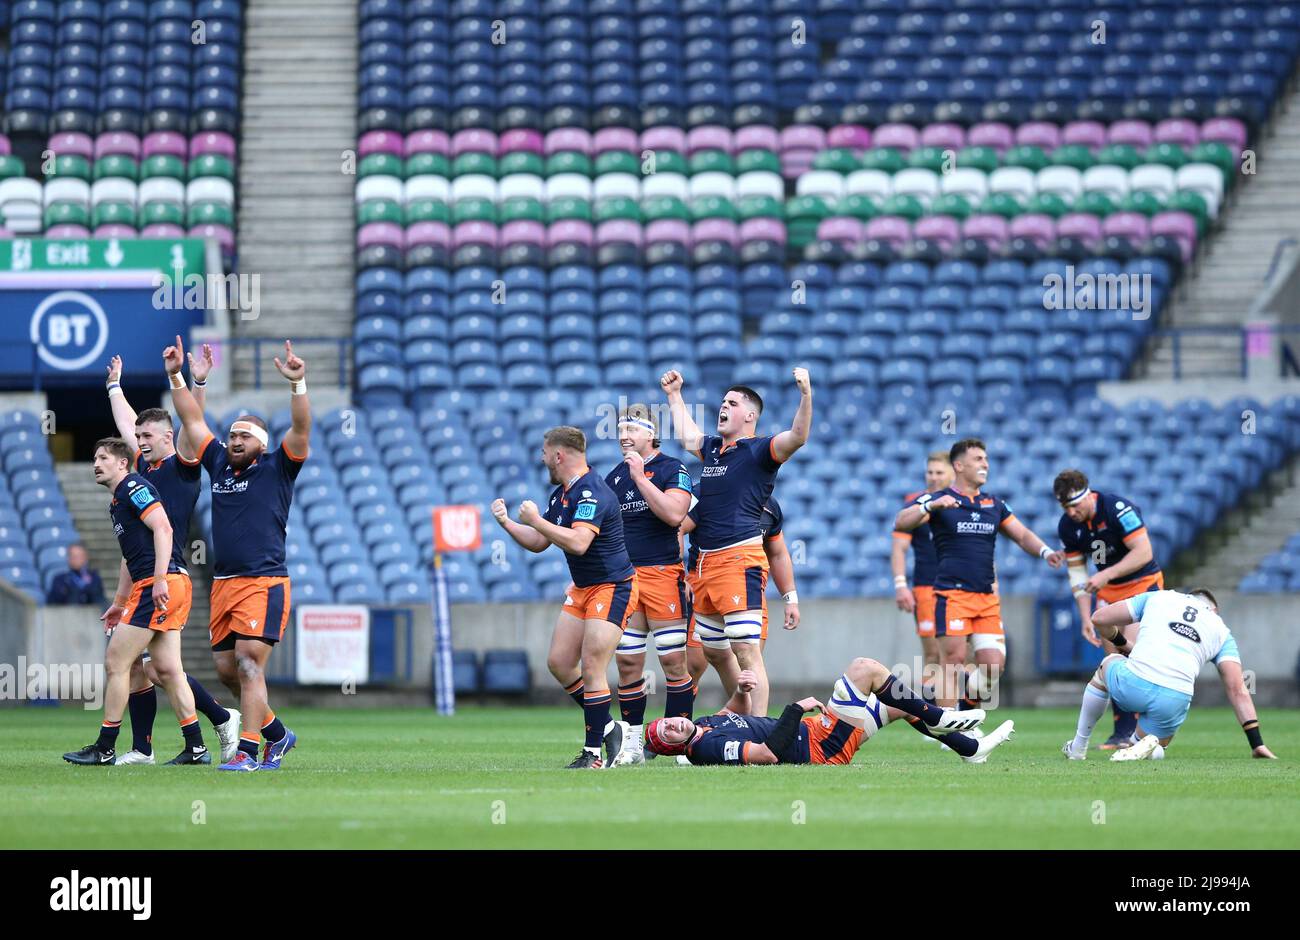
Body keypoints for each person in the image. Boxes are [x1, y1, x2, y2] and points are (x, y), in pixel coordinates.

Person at [166, 336, 307, 772]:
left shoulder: (278, 467)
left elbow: (301, 429)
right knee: (229, 671)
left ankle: (247, 751)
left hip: (264, 581)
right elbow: (192, 420)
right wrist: (180, 376)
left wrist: (298, 385)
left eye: (244, 435)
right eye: (231, 434)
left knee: (248, 663)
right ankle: (278, 735)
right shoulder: (219, 465)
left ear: (261, 443)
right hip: (225, 585)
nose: (234, 439)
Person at [102, 350, 242, 765]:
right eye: (139, 438)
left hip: (168, 573)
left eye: (148, 437)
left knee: (135, 664)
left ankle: (139, 745)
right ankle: (205, 731)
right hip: (153, 573)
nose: (140, 442)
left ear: (168, 437)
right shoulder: (143, 468)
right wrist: (114, 385)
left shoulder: (181, 463)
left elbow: (193, 422)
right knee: (161, 669)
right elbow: (126, 422)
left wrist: (194, 382)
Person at [661, 368, 811, 716]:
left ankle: (759, 733)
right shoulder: (714, 449)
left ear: (750, 415)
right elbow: (687, 437)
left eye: (731, 402)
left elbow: (798, 437)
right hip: (703, 566)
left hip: (737, 560)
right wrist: (674, 395)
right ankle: (740, 714)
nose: (722, 407)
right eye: (722, 402)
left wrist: (805, 395)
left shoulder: (760, 450)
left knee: (746, 652)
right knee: (714, 651)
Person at [491, 426, 638, 769]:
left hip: (613, 587)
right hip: (583, 589)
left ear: (559, 455)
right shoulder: (562, 495)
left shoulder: (591, 493)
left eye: (545, 453)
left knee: (592, 665)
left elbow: (578, 542)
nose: (542, 459)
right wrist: (509, 524)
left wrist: (536, 521)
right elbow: (541, 542)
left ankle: (593, 755)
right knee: (559, 662)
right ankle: (609, 726)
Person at [63, 438, 208, 766]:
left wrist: (157, 579)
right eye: (94, 458)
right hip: (166, 583)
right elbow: (129, 558)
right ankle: (196, 746)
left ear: (122, 463)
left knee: (117, 663)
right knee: (169, 670)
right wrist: (119, 601)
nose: (96, 464)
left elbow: (164, 528)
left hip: (159, 583)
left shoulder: (132, 487)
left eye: (103, 457)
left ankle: (105, 747)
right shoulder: (117, 501)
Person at [895, 439, 1064, 710]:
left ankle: (969, 706)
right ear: (959, 465)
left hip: (985, 597)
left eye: (986, 459)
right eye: (978, 459)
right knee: (953, 658)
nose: (985, 464)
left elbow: (1021, 534)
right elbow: (901, 520)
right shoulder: (939, 499)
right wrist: (930, 507)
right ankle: (949, 728)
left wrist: (1045, 552)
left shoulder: (994, 504)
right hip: (951, 595)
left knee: (993, 665)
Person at [645, 660, 1014, 767]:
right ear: (674, 747)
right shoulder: (705, 750)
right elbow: (766, 754)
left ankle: (969, 749)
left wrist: (741, 692)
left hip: (819, 736)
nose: (675, 723)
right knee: (864, 670)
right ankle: (937, 715)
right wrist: (794, 709)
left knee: (896, 707)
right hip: (819, 748)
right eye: (670, 732)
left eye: (668, 720)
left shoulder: (703, 725)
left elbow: (735, 713)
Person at [1064, 587, 1277, 762]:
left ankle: (1079, 746)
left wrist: (1124, 645)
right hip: (1175, 698)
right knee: (1149, 744)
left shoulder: (1159, 597)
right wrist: (1257, 743)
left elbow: (1099, 618)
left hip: (1135, 682)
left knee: (1107, 665)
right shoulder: (1221, 630)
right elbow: (1237, 689)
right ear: (1214, 610)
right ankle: (1146, 746)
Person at [603, 405, 693, 766]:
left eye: (632, 429)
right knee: (628, 665)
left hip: (663, 575)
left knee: (673, 662)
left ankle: (681, 744)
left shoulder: (673, 468)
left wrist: (641, 478)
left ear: (652, 435)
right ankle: (632, 743)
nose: (624, 435)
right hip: (626, 579)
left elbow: (675, 515)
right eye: (621, 429)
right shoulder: (612, 477)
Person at [1054, 468, 1164, 750]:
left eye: (1075, 505)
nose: (1072, 512)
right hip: (1109, 594)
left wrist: (1105, 574)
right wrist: (1084, 616)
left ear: (1089, 495)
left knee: (1136, 654)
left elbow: (1144, 552)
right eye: (1066, 507)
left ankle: (1146, 732)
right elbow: (1077, 575)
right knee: (1112, 662)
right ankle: (1122, 733)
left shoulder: (1117, 508)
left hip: (1143, 586)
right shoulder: (1068, 526)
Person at [682, 494, 797, 713]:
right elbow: (675, 527)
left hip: (748, 590)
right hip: (705, 586)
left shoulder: (770, 506)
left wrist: (790, 598)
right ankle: (679, 723)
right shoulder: (705, 493)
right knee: (694, 664)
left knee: (749, 659)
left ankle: (752, 727)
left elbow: (778, 553)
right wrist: (679, 572)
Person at [892, 451, 954, 684]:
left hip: (960, 588)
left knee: (961, 654)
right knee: (932, 654)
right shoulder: (915, 507)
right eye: (930, 472)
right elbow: (899, 548)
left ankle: (963, 714)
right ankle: (932, 717)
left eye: (939, 472)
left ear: (952, 472)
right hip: (926, 587)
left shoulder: (962, 504)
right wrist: (900, 585)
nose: (934, 477)